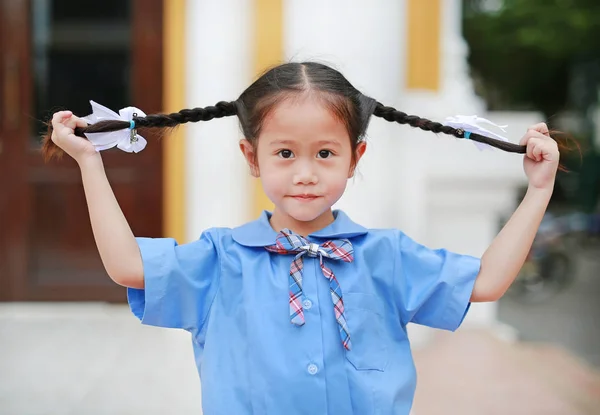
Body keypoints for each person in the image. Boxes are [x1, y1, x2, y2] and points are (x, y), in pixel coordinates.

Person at [44, 62, 560, 415]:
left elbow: (487, 281)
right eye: (285, 153)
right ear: (252, 158)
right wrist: (90, 163)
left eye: (326, 154)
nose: (306, 173)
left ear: (356, 157)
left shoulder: (387, 256)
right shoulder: (221, 259)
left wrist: (538, 191)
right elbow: (127, 265)